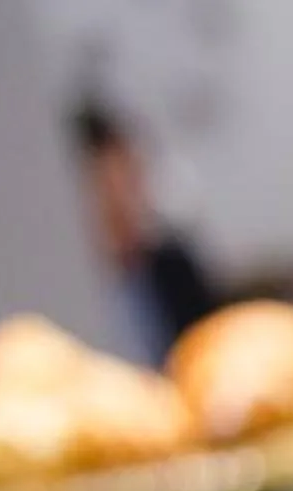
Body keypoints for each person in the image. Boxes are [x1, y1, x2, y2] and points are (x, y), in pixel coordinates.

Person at [71, 98, 221, 361]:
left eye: (135, 176)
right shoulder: (78, 292)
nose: (132, 198)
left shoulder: (174, 268)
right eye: (112, 188)